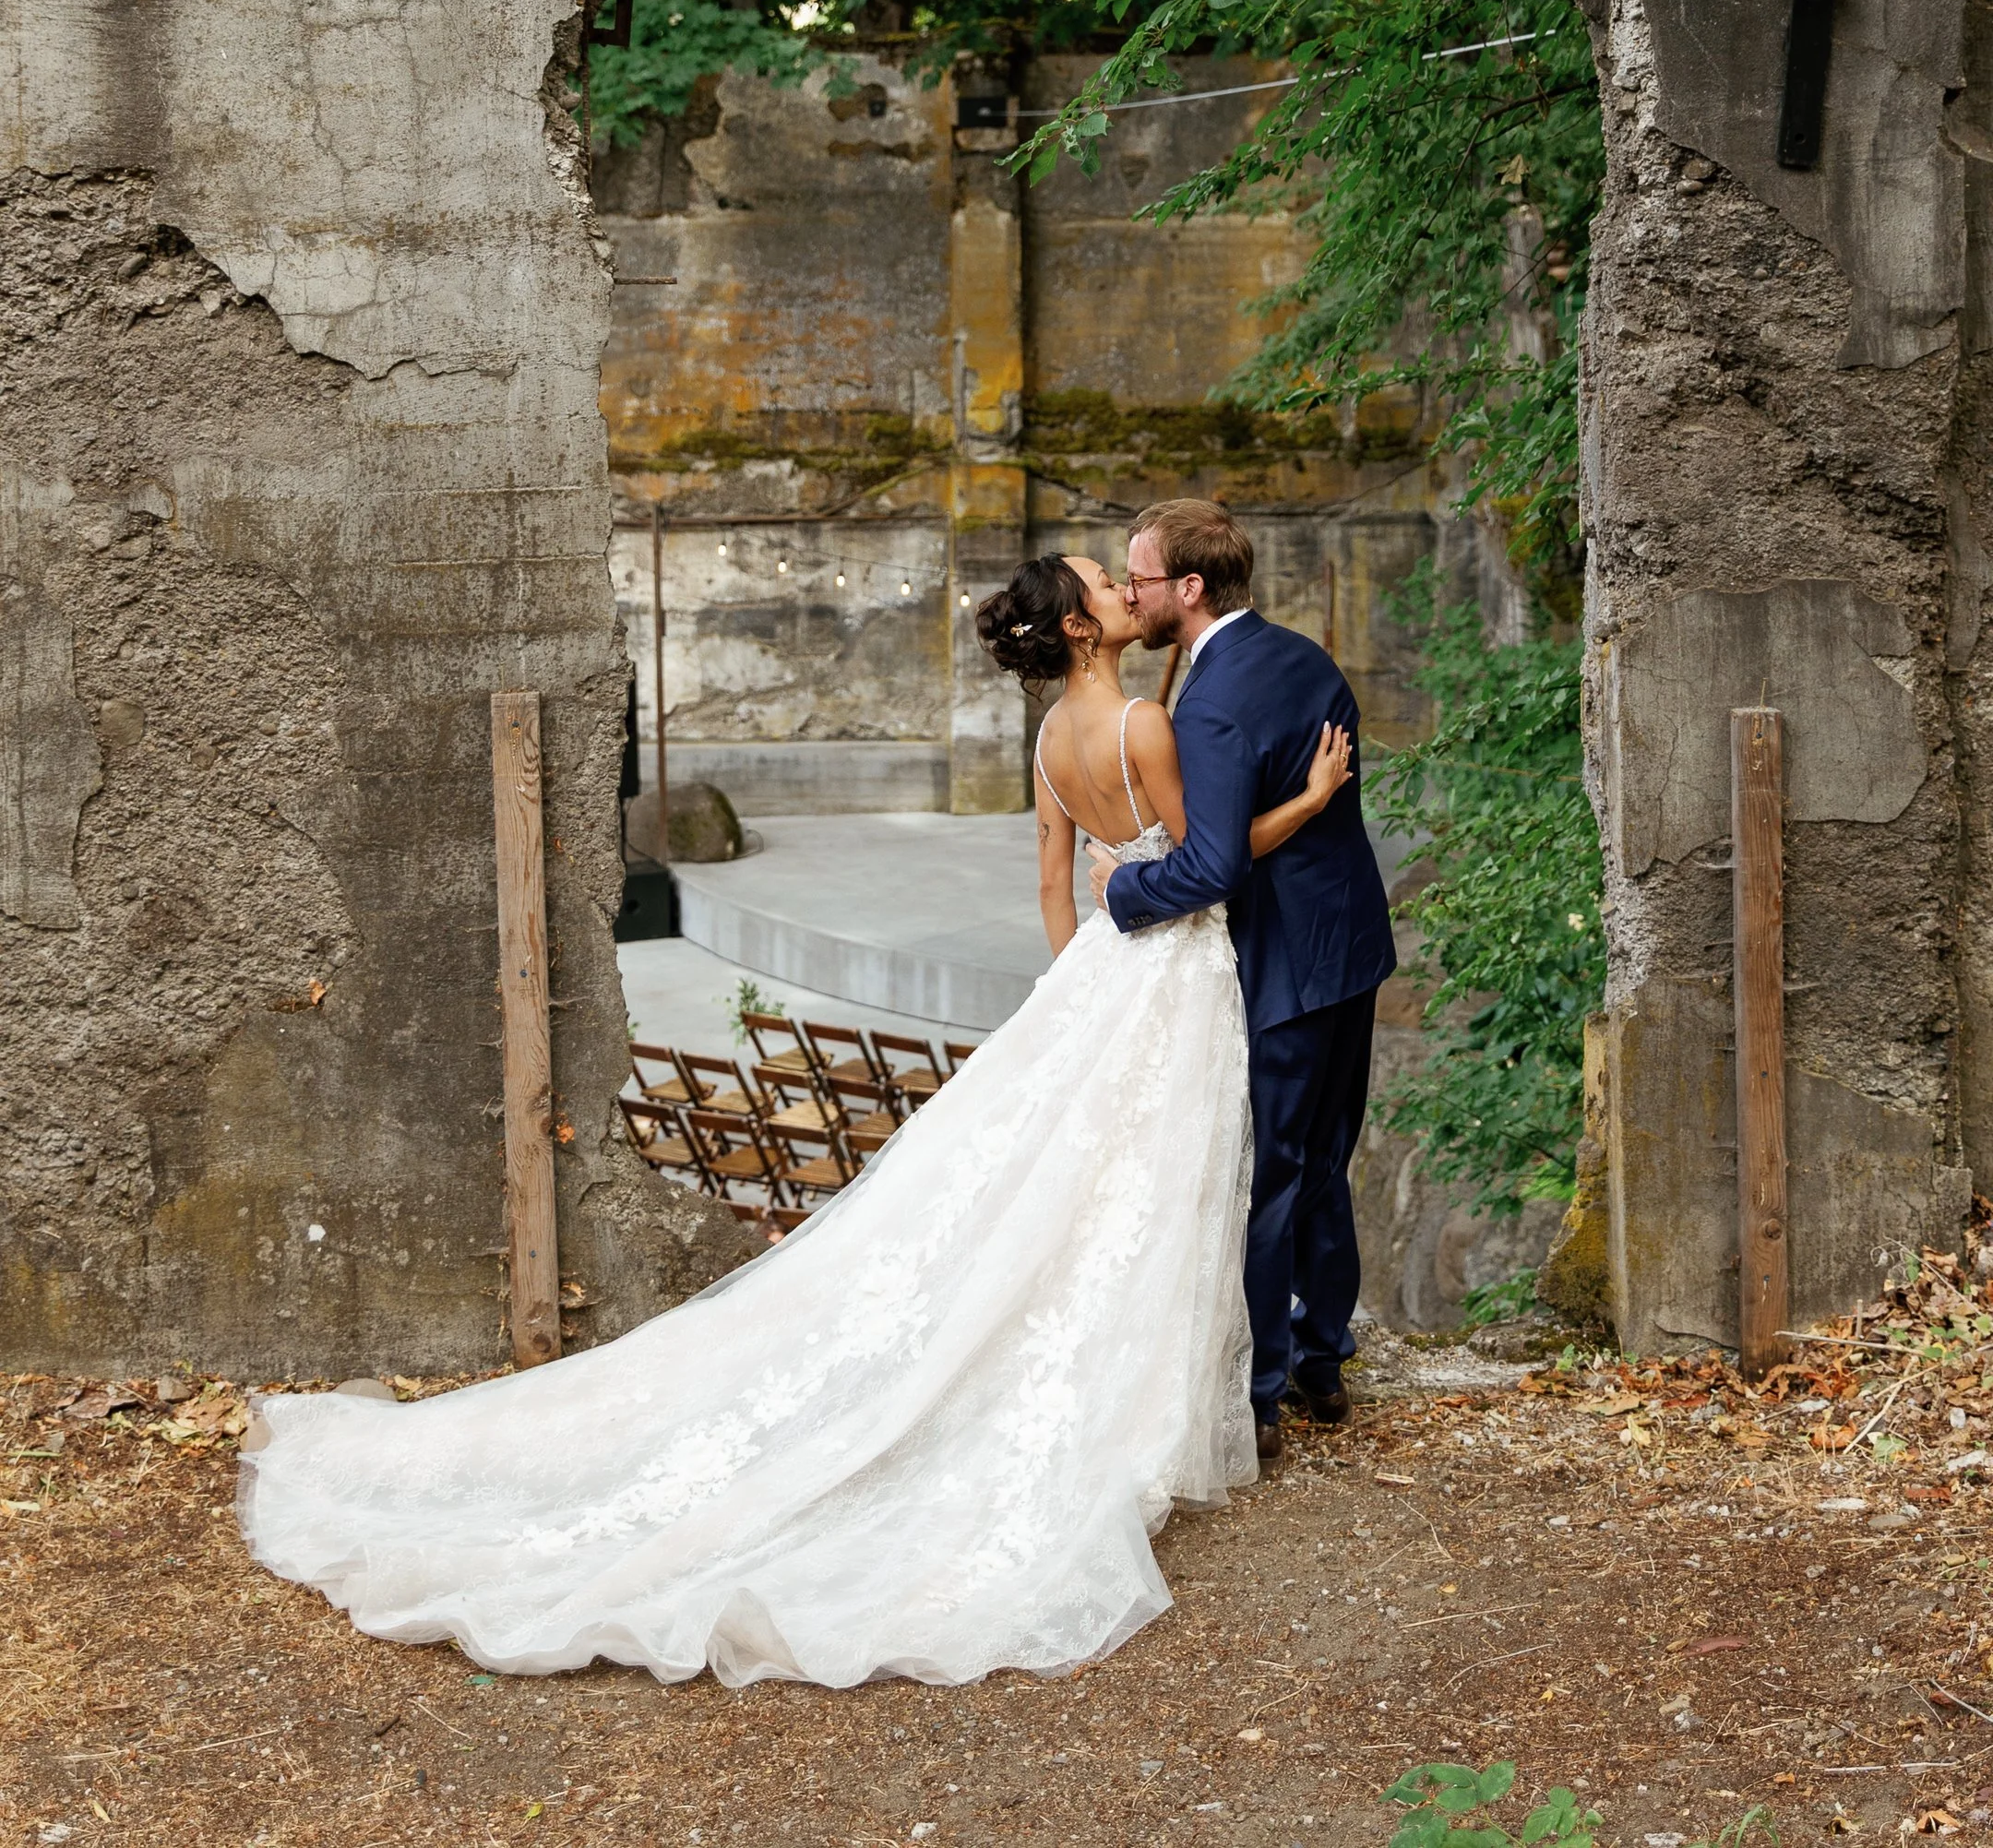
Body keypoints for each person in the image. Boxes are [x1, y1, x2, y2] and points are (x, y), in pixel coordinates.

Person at [234, 553, 1349, 1691]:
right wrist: (1306, 805)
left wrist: (1076, 996)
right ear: (1076, 626)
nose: (1121, 590)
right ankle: (1127, 1411)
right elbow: (1206, 867)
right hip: (1170, 976)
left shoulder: (1051, 740)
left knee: (1089, 1189)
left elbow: (1053, 884)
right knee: (1146, 1192)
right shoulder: (1143, 728)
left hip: (1097, 983)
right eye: (1104, 584)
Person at [1087, 499, 1395, 1465]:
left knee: (1271, 1174)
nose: (1130, 591)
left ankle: (1261, 1396)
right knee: (1326, 1161)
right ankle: (1322, 1360)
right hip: (1352, 946)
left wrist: (1124, 887)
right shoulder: (1306, 657)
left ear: (1188, 587)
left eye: (1138, 577)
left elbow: (1214, 865)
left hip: (1285, 966)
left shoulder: (1210, 703)